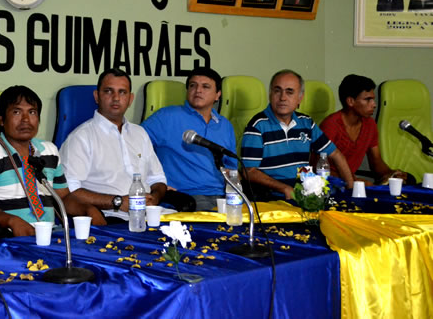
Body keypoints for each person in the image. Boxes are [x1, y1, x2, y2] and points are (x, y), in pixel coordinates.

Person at [0, 85, 104, 237]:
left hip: (50, 236)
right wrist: (10, 220)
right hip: (8, 239)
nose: (26, 119)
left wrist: (87, 209)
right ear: (1, 120)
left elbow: (63, 198)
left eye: (32, 112)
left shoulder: (49, 151)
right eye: (17, 112)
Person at [61, 69, 182, 223]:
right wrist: (117, 202)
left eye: (122, 92)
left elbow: (157, 178)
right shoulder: (81, 137)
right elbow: (70, 191)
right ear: (97, 96)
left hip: (150, 214)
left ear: (130, 99)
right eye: (108, 91)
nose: (116, 98)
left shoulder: (139, 133)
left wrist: (154, 198)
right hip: (110, 217)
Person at [241, 70, 355, 200]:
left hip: (304, 196)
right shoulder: (257, 125)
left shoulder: (306, 123)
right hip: (272, 199)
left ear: (300, 98)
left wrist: (351, 191)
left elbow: (336, 154)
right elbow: (249, 171)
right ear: (270, 94)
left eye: (289, 92)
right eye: (277, 91)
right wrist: (283, 188)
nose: (282, 98)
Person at [142, 67, 237, 211]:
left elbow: (231, 169)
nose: (198, 90)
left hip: (223, 197)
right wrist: (154, 185)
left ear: (217, 95)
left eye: (205, 86)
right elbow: (134, 146)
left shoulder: (225, 125)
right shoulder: (167, 117)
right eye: (193, 85)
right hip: (186, 198)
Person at [320, 74, 414, 185]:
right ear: (350, 101)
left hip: (351, 184)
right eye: (368, 99)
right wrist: (355, 181)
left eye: (373, 99)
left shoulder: (370, 124)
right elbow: (318, 169)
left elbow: (376, 162)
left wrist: (393, 174)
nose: (374, 104)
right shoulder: (331, 125)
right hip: (329, 186)